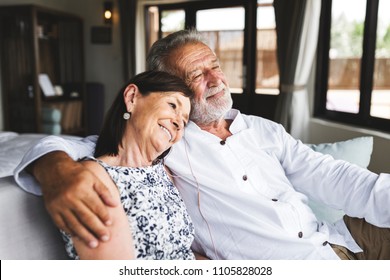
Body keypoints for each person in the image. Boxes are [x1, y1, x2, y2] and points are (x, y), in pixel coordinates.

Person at [15, 29, 390, 260]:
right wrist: (57, 171)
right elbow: (45, 146)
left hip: (343, 238)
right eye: (197, 74)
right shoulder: (165, 140)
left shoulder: (263, 129)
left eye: (214, 65)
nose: (215, 79)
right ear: (168, 88)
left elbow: (333, 175)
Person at [55, 70, 195, 259]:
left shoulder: (163, 172)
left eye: (185, 121)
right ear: (132, 98)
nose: (179, 123)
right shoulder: (94, 180)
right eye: (172, 105)